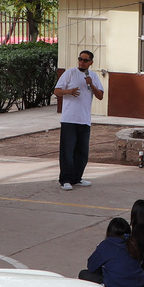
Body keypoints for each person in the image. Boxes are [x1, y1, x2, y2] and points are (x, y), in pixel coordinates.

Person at [53, 49, 104, 190]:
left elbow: (100, 96)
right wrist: (68, 91)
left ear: (91, 62)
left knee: (82, 152)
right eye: (80, 59)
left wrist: (91, 84)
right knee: (67, 151)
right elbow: (57, 91)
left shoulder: (93, 76)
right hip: (69, 119)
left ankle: (77, 178)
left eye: (85, 60)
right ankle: (65, 180)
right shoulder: (69, 73)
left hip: (84, 119)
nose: (82, 62)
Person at [78, 218, 144, 287]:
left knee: (83, 274)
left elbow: (91, 267)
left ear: (109, 232)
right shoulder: (134, 244)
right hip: (138, 285)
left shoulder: (106, 245)